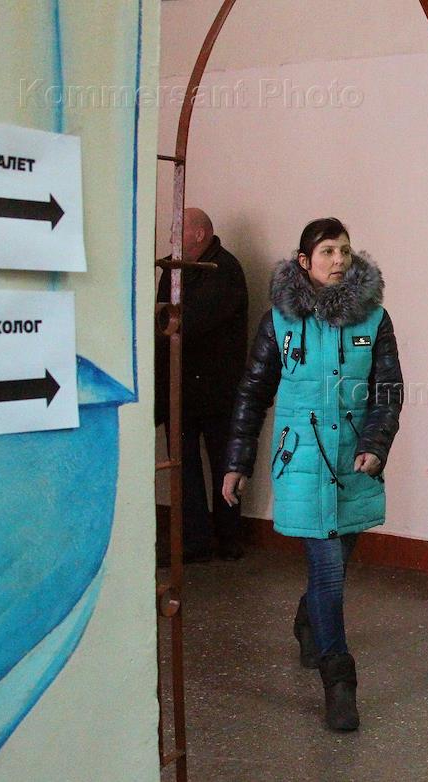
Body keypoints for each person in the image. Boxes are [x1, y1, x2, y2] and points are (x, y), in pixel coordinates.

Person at [222, 218, 402, 732]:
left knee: (338, 563)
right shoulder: (279, 321)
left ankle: (308, 619)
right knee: (326, 570)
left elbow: (388, 391)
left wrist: (375, 445)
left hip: (355, 463)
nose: (339, 259)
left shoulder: (374, 319)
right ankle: (339, 680)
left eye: (344, 250)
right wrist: (237, 462)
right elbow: (253, 393)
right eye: (327, 251)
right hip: (300, 461)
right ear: (304, 262)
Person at [155, 208, 248, 563]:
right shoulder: (173, 269)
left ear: (198, 234)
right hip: (180, 388)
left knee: (226, 464)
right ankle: (194, 540)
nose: (171, 238)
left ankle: (229, 538)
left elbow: (186, 322)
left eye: (177, 231)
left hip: (218, 390)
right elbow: (165, 322)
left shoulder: (225, 270)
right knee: (184, 469)